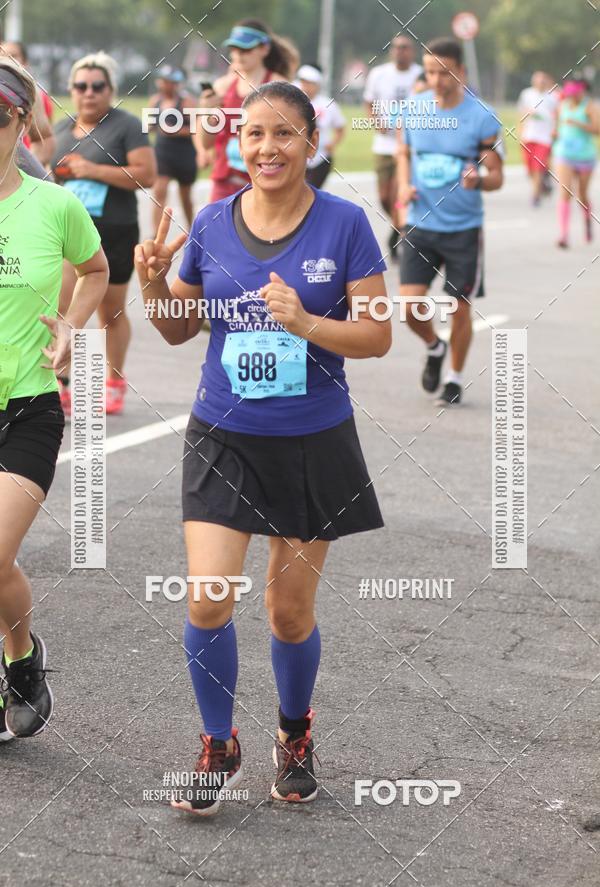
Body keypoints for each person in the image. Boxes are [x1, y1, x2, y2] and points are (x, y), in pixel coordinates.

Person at [136, 82, 390, 815]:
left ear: (312, 142)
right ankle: (219, 743)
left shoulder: (344, 226)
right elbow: (177, 329)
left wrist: (307, 322)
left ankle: (295, 732)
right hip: (224, 435)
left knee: (287, 614)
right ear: (235, 143)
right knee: (209, 597)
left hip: (312, 440)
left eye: (283, 134)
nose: (267, 148)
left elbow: (376, 335)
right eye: (252, 134)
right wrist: (154, 287)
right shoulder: (212, 221)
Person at [0, 57, 108, 742]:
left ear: (20, 123)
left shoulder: (53, 205)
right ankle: (23, 663)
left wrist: (72, 323)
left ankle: (19, 668)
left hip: (29, 410)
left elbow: (96, 270)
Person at [397, 37, 503, 407]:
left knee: (459, 307)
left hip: (463, 227)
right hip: (419, 222)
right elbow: (403, 152)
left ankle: (455, 378)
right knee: (409, 307)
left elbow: (497, 177)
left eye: (443, 72)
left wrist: (480, 180)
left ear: (461, 72)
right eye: (429, 72)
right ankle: (433, 345)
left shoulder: (482, 117)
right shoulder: (414, 108)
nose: (436, 80)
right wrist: (403, 185)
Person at [51, 51, 156, 415]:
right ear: (71, 89)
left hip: (114, 230)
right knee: (63, 308)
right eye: (81, 86)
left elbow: (146, 174)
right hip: (67, 235)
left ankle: (112, 379)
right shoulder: (60, 130)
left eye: (98, 86)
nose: (89, 92)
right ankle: (62, 380)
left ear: (111, 89)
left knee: (109, 312)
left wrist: (91, 170)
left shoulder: (127, 126)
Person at [194, 19, 296, 202]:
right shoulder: (222, 87)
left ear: (264, 49)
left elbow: (294, 138)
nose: (238, 55)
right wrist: (208, 113)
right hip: (224, 183)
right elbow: (206, 143)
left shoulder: (281, 87)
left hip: (266, 181)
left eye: (246, 49)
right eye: (234, 49)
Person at [363, 35, 422, 259]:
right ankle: (400, 226)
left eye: (405, 48)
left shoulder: (419, 74)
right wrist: (375, 121)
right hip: (383, 144)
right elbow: (369, 102)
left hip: (409, 146)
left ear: (412, 51)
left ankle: (397, 235)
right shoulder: (379, 74)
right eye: (396, 47)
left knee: (400, 191)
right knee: (385, 196)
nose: (400, 51)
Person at [149, 64, 196, 231]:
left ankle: (192, 230)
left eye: (170, 82)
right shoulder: (155, 101)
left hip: (184, 153)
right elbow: (151, 125)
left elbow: (196, 128)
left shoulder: (186, 102)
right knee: (159, 192)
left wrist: (175, 131)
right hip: (162, 152)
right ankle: (156, 235)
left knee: (185, 196)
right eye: (164, 81)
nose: (166, 85)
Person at [553, 79, 599, 248]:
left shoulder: (590, 107)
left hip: (585, 156)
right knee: (565, 192)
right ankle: (563, 235)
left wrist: (579, 123)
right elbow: (557, 126)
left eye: (576, 93)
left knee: (582, 194)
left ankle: (587, 220)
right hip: (564, 155)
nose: (573, 97)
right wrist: (555, 134)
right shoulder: (562, 105)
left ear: (582, 91)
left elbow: (598, 129)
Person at [0, 39, 55, 165]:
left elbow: (44, 137)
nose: (6, 60)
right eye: (2, 56)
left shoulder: (34, 94)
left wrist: (21, 170)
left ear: (25, 62)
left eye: (13, 56)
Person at [296, 63, 345, 189]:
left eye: (310, 83)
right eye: (303, 82)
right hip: (298, 156)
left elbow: (340, 127)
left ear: (317, 85)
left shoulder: (328, 104)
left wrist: (333, 143)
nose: (306, 87)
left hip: (321, 157)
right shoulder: (293, 104)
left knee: (312, 191)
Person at [518, 71, 558, 206]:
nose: (540, 83)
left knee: (537, 166)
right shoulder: (526, 94)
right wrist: (520, 132)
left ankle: (535, 195)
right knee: (529, 168)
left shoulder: (552, 97)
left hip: (544, 138)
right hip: (529, 136)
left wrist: (555, 130)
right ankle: (543, 184)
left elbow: (557, 115)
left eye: (543, 80)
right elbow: (521, 113)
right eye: (538, 80)